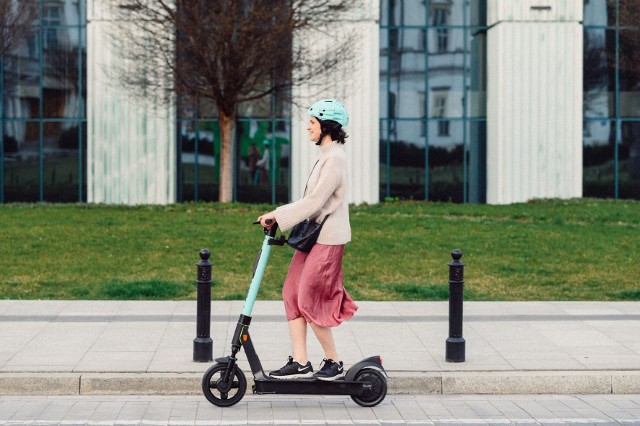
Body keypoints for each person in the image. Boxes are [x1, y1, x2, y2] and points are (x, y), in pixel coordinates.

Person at [257, 99, 357, 381]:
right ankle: (300, 361)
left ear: (326, 126)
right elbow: (310, 202)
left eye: (312, 123)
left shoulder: (335, 158)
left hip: (328, 239)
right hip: (313, 237)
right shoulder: (326, 155)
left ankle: (333, 362)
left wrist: (278, 215)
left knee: (308, 298)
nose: (307, 128)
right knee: (291, 292)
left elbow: (315, 201)